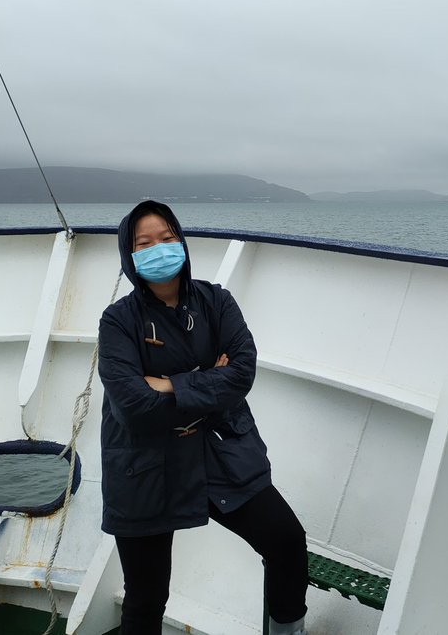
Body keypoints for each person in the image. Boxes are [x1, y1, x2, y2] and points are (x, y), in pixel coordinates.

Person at [98, 200, 309, 635]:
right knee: (146, 596)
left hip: (218, 452)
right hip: (145, 465)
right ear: (129, 256)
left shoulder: (216, 302)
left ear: (182, 242)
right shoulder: (118, 321)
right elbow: (133, 407)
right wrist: (205, 378)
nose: (160, 248)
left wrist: (170, 383)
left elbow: (242, 372)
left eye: (168, 237)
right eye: (145, 243)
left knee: (287, 541)